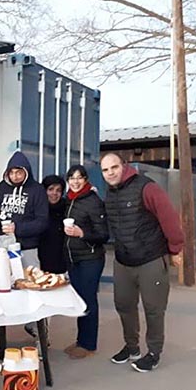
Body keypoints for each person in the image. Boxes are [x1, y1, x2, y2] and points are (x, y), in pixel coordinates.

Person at [101, 152, 184, 372]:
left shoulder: (146, 188)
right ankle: (132, 347)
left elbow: (169, 218)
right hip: (123, 261)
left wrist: (176, 249)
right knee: (124, 305)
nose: (110, 173)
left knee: (153, 309)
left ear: (124, 166)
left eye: (114, 167)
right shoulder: (110, 193)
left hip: (151, 259)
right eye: (105, 170)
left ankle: (154, 353)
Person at [61, 165, 109, 359]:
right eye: (72, 178)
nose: (75, 181)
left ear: (86, 179)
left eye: (79, 178)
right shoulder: (69, 199)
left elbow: (103, 234)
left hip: (90, 258)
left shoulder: (93, 201)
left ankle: (89, 345)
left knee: (88, 299)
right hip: (74, 259)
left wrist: (82, 233)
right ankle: (82, 340)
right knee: (79, 300)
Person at [0, 150, 49, 268]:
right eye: (11, 173)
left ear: (26, 172)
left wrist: (18, 228)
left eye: (19, 173)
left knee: (29, 282)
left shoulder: (37, 190)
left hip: (27, 248)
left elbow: (42, 222)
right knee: (2, 281)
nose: (15, 176)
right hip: (2, 247)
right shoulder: (2, 186)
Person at [38, 175, 67, 274]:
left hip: (62, 260)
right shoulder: (37, 208)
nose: (54, 193)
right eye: (51, 189)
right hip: (41, 259)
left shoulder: (67, 207)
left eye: (58, 190)